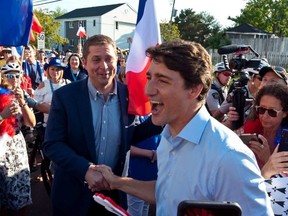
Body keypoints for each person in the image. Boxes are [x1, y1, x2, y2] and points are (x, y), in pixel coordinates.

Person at [96, 39, 273, 216]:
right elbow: (167, 193)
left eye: (162, 81)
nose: (148, 90)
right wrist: (117, 182)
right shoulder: (169, 137)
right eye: (149, 77)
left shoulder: (229, 158)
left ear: (194, 90)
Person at [43, 34, 136, 215]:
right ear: (84, 63)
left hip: (113, 197)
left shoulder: (129, 96)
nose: (104, 66)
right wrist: (86, 170)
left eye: (109, 59)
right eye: (96, 60)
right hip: (73, 196)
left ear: (117, 61)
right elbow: (52, 144)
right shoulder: (65, 97)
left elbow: (132, 134)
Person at [0, 62, 36, 216]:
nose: (14, 78)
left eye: (17, 74)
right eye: (9, 75)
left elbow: (31, 123)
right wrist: (2, 115)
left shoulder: (21, 94)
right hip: (1, 144)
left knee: (22, 191)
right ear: (2, 77)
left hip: (17, 145)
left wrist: (23, 103)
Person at [242, 84, 288, 173]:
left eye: (272, 112)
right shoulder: (248, 131)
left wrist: (267, 159)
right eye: (262, 109)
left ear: (285, 113)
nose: (265, 116)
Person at [127, 116, 163, 216]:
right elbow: (124, 145)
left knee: (145, 208)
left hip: (150, 176)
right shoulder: (134, 116)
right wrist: (149, 154)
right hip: (136, 175)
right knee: (135, 212)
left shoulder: (154, 115)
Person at [34, 57, 70, 126]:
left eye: (58, 69)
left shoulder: (67, 83)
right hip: (48, 124)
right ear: (48, 70)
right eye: (52, 69)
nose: (55, 72)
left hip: (65, 123)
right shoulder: (44, 84)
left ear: (61, 71)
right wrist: (46, 106)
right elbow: (36, 103)